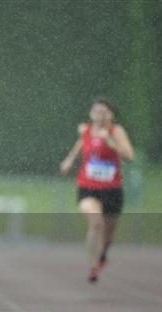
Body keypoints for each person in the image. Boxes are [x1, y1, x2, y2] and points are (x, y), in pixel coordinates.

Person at [60, 98, 133, 283]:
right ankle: (93, 267)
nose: (99, 116)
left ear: (111, 115)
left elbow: (129, 156)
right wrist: (69, 160)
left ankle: (103, 254)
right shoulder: (86, 130)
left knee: (108, 236)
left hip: (112, 189)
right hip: (87, 187)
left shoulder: (116, 131)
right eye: (96, 112)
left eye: (103, 112)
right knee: (96, 223)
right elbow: (80, 145)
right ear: (91, 114)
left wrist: (110, 142)